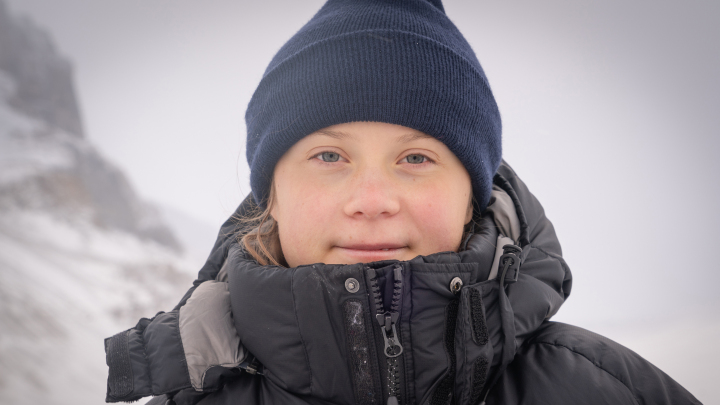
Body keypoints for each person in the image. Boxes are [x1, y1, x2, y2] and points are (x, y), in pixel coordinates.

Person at [104, 1, 700, 404]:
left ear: (472, 196)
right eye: (329, 157)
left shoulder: (602, 389)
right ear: (271, 198)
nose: (372, 201)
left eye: (415, 158)